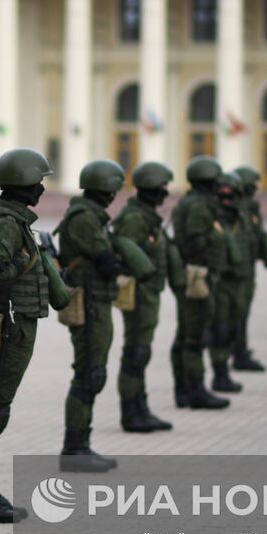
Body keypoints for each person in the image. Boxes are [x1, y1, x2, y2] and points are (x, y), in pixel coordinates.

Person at [0, 149, 54, 522]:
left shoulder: (14, 219)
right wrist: (25, 259)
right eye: (38, 182)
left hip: (19, 324)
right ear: (24, 184)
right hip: (9, 325)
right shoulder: (5, 222)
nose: (42, 189)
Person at [57, 159, 127, 470]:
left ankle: (81, 444)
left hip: (97, 303)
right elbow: (108, 261)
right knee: (88, 373)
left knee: (92, 372)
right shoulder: (84, 218)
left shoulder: (91, 216)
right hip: (88, 305)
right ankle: (74, 449)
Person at [112, 161, 176, 433]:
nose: (165, 192)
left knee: (142, 350)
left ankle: (141, 407)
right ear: (149, 188)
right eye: (162, 187)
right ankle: (131, 412)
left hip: (149, 293)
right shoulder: (135, 218)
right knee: (136, 352)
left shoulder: (146, 215)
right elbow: (127, 255)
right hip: (138, 293)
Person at [170, 156, 233, 409]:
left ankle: (184, 389)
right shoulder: (200, 205)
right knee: (195, 335)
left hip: (195, 274)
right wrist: (212, 240)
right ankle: (195, 390)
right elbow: (194, 241)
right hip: (198, 276)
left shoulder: (193, 202)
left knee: (188, 332)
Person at [209, 172, 254, 389]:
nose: (226, 199)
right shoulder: (213, 218)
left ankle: (227, 367)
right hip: (221, 281)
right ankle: (219, 372)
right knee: (220, 328)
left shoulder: (241, 217)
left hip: (240, 279)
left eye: (231, 194)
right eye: (222, 194)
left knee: (235, 326)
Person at [229, 166, 267, 371]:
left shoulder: (249, 208)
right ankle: (237, 352)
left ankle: (240, 349)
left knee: (243, 312)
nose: (256, 188)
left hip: (247, 268)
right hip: (238, 270)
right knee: (237, 312)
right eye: (253, 184)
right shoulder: (238, 208)